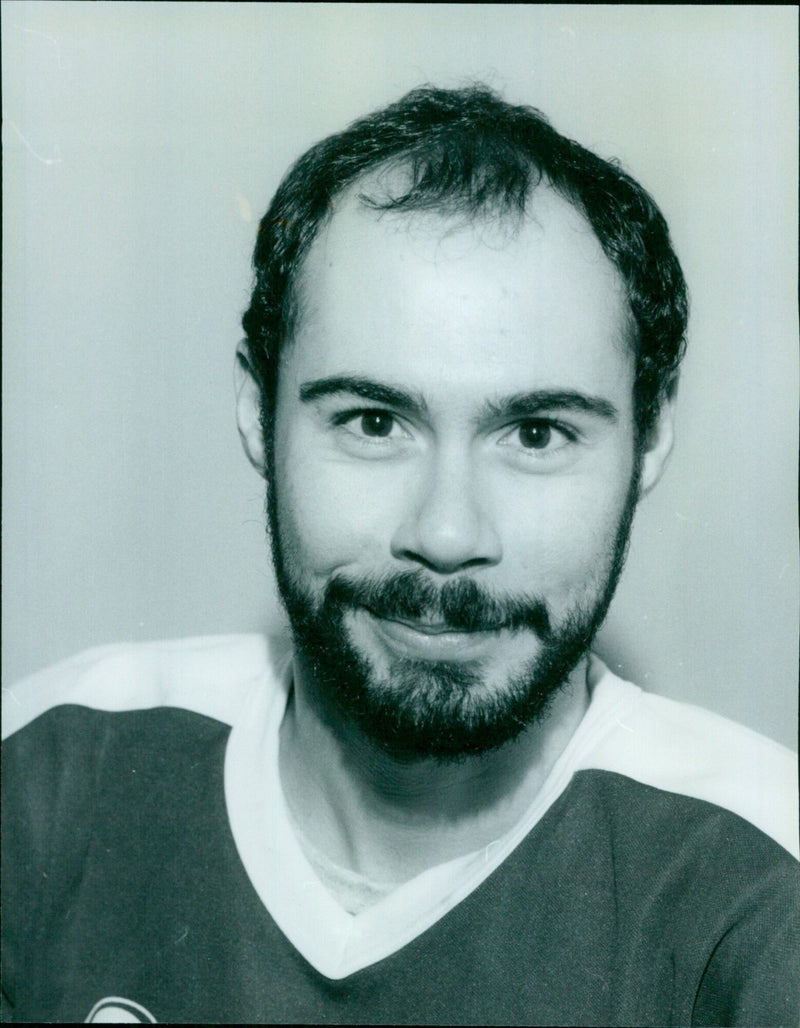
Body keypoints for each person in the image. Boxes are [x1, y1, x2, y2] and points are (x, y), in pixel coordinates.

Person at [2, 85, 797, 1026]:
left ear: (651, 438)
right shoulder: (48, 775)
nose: (447, 534)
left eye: (537, 434)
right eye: (374, 422)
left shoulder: (763, 893)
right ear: (258, 409)